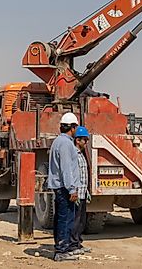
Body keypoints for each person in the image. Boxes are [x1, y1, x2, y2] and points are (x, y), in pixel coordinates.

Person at [48, 112, 80, 262]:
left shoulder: (58, 141)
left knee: (62, 218)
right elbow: (66, 168)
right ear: (72, 128)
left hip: (60, 187)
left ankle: (63, 248)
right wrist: (72, 189)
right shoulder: (66, 144)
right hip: (64, 188)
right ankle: (61, 251)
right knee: (65, 219)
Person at [69, 126, 92, 256]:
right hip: (76, 194)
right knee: (75, 220)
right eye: (85, 140)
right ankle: (72, 245)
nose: (86, 142)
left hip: (82, 193)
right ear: (78, 140)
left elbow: (83, 174)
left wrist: (86, 191)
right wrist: (74, 191)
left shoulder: (81, 155)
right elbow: (72, 174)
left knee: (81, 220)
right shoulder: (73, 154)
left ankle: (78, 243)